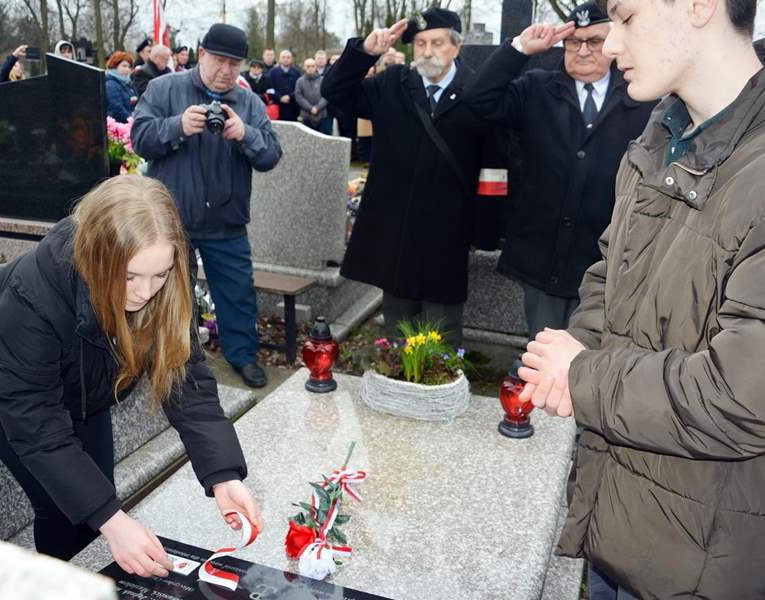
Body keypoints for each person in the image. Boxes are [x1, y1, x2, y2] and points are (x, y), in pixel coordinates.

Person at [516, 1, 765, 598]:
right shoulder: (658, 139)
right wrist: (579, 345)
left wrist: (583, 374)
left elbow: (742, 397)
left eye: (626, 18)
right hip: (620, 523)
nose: (610, 46)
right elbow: (612, 272)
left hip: (702, 561)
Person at [0, 175, 264, 572]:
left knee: (94, 497)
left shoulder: (166, 261)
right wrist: (113, 521)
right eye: (129, 277)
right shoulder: (32, 297)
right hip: (8, 387)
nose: (146, 292)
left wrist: (223, 474)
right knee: (65, 507)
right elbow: (36, 426)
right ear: (95, 258)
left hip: (84, 387)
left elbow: (183, 372)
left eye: (159, 275)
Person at [464, 2, 655, 345]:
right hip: (543, 258)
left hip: (607, 263)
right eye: (573, 42)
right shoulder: (537, 88)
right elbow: (477, 98)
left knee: (593, 360)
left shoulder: (641, 94)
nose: (582, 51)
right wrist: (520, 48)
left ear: (614, 42)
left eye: (594, 41)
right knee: (544, 354)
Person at [322, 8, 507, 345]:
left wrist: (485, 232)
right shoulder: (392, 84)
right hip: (397, 230)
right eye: (420, 43)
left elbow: (494, 168)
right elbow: (335, 92)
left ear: (456, 46)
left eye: (437, 42)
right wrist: (364, 52)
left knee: (441, 333)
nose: (427, 51)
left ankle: (441, 377)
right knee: (398, 329)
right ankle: (397, 372)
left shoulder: (478, 90)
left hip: (449, 233)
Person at [132, 23, 281, 389]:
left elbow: (270, 155)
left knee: (237, 294)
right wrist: (177, 126)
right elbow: (140, 139)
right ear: (201, 55)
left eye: (234, 63)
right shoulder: (165, 89)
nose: (226, 70)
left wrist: (246, 134)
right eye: (218, 60)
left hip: (226, 221)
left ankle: (242, 356)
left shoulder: (249, 102)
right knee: (167, 296)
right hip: (172, 222)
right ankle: (167, 360)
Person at [295, 58, 330, 133]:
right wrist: (310, 108)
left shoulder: (323, 80)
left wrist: (318, 107)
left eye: (312, 66)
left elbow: (326, 95)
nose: (310, 68)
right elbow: (298, 97)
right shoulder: (299, 81)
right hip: (306, 116)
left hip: (322, 115)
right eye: (308, 66)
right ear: (304, 68)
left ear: (316, 67)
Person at [268, 49, 301, 121]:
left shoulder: (297, 72)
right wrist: (279, 97)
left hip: (293, 107)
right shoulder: (272, 72)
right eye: (283, 57)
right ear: (279, 59)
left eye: (288, 57)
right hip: (277, 106)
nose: (286, 59)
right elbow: (270, 88)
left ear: (291, 59)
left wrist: (290, 96)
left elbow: (299, 89)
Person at [105, 51, 137, 122]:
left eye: (129, 67)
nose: (127, 69)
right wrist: (132, 120)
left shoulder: (128, 83)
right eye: (124, 66)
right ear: (114, 66)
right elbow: (117, 108)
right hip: (120, 125)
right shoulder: (110, 85)